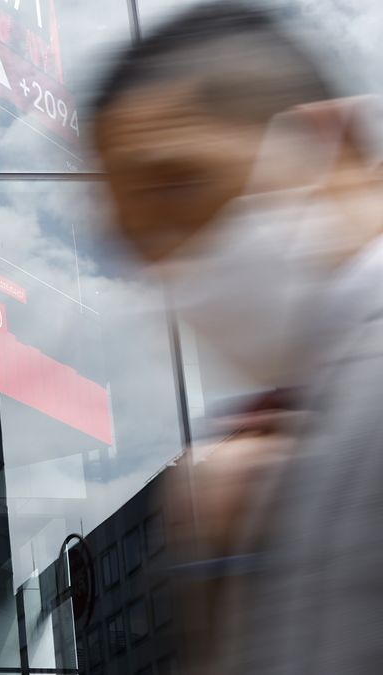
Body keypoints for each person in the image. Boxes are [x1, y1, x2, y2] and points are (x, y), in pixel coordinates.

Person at [89, 3, 383, 674]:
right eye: (139, 240)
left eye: (178, 186)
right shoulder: (313, 424)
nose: (176, 262)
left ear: (334, 140)